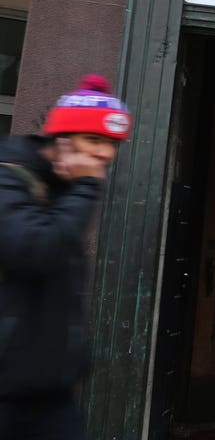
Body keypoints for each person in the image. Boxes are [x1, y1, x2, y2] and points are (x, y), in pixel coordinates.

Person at [0, 74, 133, 440]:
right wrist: (87, 187)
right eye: (94, 140)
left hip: (49, 393)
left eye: (111, 144)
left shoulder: (63, 189)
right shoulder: (9, 177)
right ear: (62, 139)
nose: (104, 155)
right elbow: (35, 250)